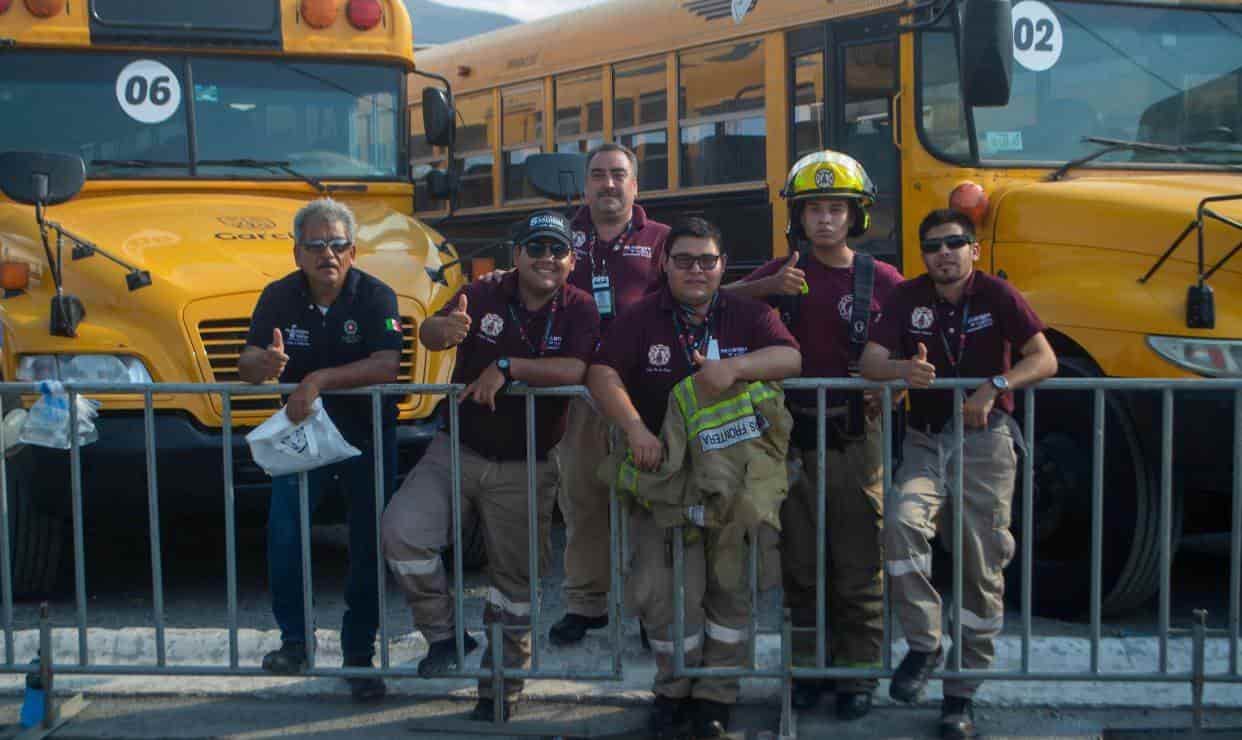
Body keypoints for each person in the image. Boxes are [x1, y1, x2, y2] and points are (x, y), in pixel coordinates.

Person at [381, 210, 600, 721]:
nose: (547, 258)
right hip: (456, 449)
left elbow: (575, 369)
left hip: (527, 465)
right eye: (537, 248)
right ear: (517, 254)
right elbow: (429, 333)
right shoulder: (481, 292)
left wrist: (507, 367)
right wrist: (445, 329)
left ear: (571, 259)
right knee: (402, 534)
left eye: (558, 250)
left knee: (513, 588)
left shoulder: (580, 306)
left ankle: (501, 689)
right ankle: (444, 637)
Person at [589, 217, 801, 738]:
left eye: (707, 260)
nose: (696, 270)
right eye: (683, 260)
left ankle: (715, 697)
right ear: (665, 264)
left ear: (723, 265)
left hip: (732, 481)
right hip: (662, 478)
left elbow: (791, 357)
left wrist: (736, 367)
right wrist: (636, 428)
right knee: (663, 594)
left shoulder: (748, 314)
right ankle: (673, 691)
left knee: (730, 592)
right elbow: (601, 372)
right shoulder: (641, 318)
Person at [860, 208, 1057, 739]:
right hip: (924, 441)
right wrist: (903, 370)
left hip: (986, 441)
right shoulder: (906, 297)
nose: (943, 253)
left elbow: (1045, 359)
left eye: (954, 243)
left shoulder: (998, 295)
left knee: (980, 566)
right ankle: (925, 644)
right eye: (932, 246)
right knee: (901, 524)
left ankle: (960, 696)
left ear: (973, 249)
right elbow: (870, 362)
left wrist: (995, 383)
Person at [727, 150, 904, 719]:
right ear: (796, 219)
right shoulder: (779, 275)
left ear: (857, 217)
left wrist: (894, 388)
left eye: (837, 209)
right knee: (801, 569)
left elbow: (907, 356)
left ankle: (857, 676)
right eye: (813, 210)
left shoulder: (884, 282)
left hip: (855, 443)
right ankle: (805, 671)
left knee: (857, 568)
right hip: (790, 445)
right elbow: (712, 301)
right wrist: (767, 287)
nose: (825, 220)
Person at [239, 198, 403, 702]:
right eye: (314, 244)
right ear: (297, 253)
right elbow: (245, 364)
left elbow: (387, 364)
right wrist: (265, 363)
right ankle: (294, 643)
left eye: (336, 244)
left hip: (364, 437)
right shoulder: (278, 297)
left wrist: (317, 378)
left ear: (353, 252)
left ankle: (360, 656)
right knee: (285, 535)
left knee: (367, 545)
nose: (326, 253)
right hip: (302, 442)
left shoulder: (377, 296)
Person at [549, 142, 671, 646]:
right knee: (582, 502)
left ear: (635, 184)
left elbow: (696, 292)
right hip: (578, 396)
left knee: (649, 508)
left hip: (642, 394)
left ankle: (649, 612)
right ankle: (586, 604)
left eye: (618, 174)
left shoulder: (662, 238)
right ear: (585, 185)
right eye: (598, 175)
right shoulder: (560, 237)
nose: (608, 184)